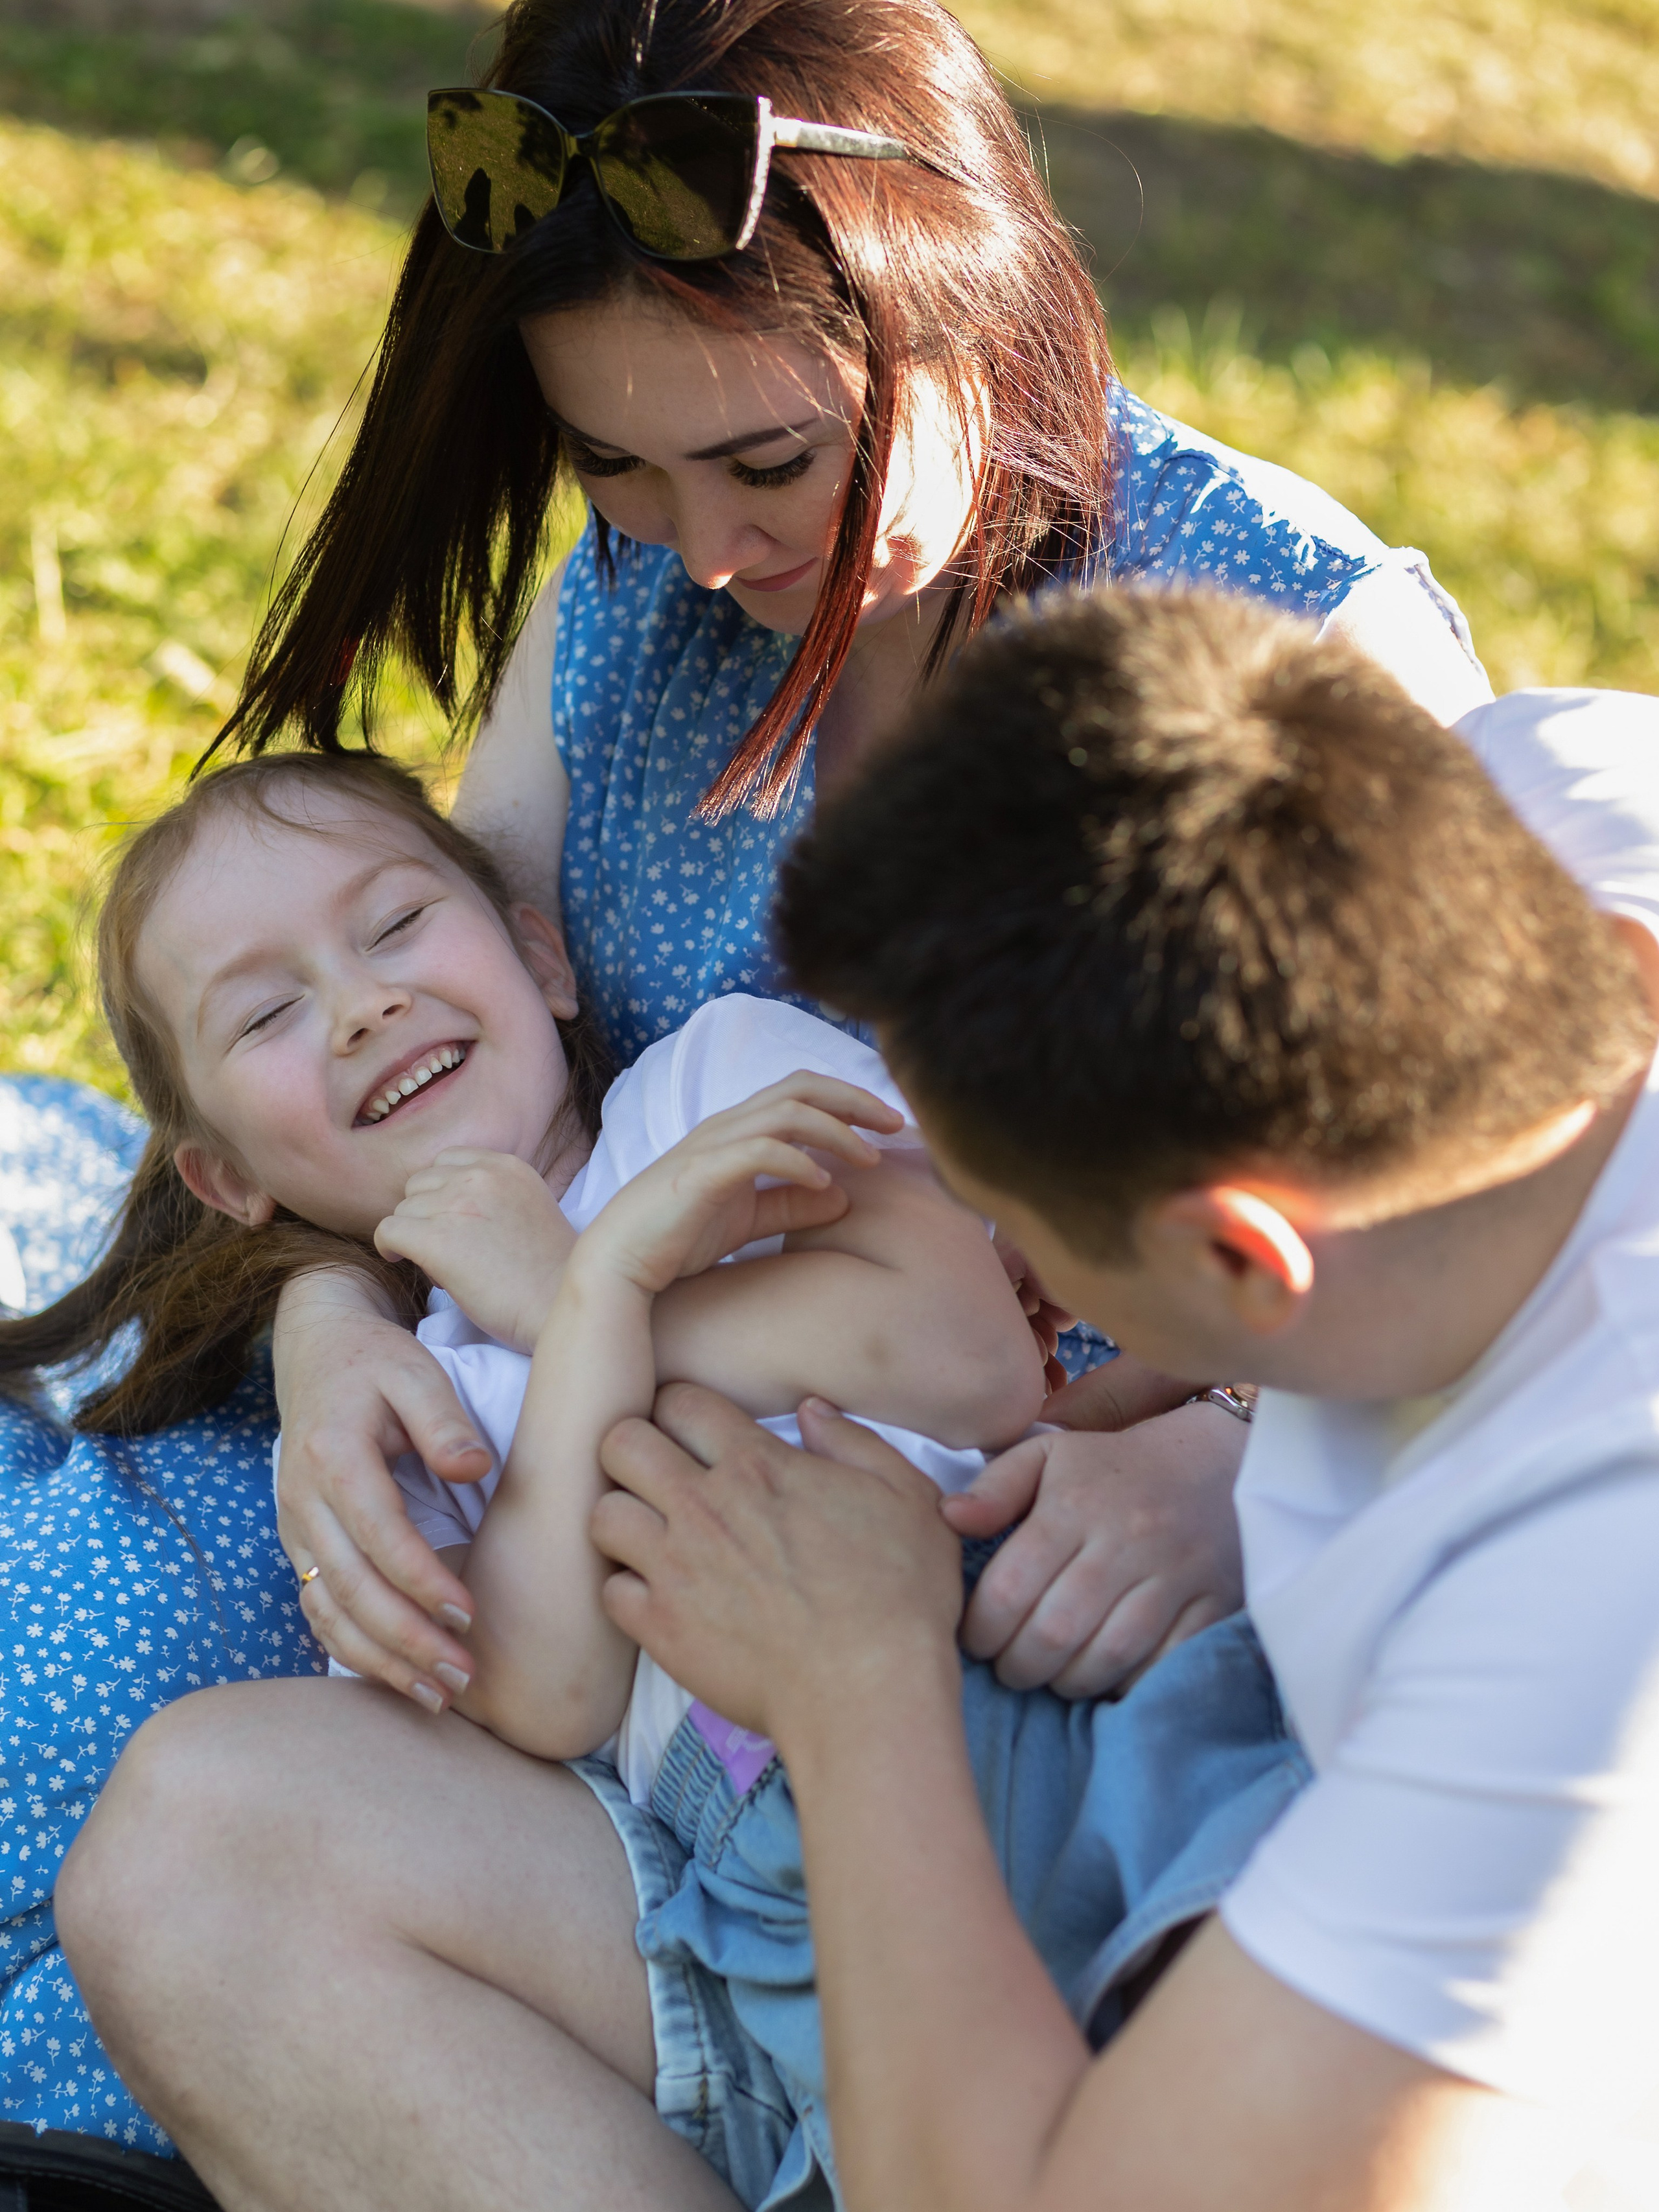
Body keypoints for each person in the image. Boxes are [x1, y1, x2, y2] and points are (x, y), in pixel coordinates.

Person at [0, 0, 1489, 2147]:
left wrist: (1231, 1471)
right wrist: (333, 1322)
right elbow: (404, 1069)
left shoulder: (1293, 648)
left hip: (1027, 1662)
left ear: (967, 302)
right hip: (571, 1519)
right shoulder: (633, 599)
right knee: (67, 1656)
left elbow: (1551, 1269)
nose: (694, 545)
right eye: (610, 459)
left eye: (772, 463)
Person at [23, 746, 1299, 2206]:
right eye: (265, 1011)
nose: (361, 1003)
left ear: (540, 959)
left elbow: (964, 1352)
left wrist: (577, 1287)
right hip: (753, 1887)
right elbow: (549, 1683)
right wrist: (591, 1298)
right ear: (229, 1183)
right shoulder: (397, 1405)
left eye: (392, 928)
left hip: (1029, 1693)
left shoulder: (715, 1082)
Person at [559, 594, 1659, 2210]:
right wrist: (1213, 1403)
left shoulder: (1578, 1614)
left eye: (1033, 1236)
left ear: (1238, 1252)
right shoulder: (1553, 812)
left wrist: (852, 1682)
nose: (1012, 1277)